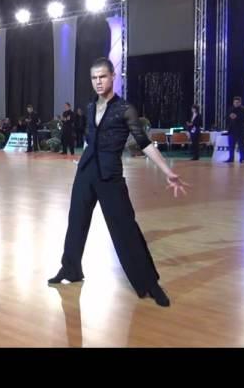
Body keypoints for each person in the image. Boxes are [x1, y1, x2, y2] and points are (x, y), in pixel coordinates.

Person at [48, 58, 190, 308]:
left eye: (102, 76)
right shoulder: (91, 106)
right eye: (94, 78)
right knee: (76, 223)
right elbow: (90, 139)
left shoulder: (125, 109)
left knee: (125, 229)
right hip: (86, 172)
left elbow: (144, 143)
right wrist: (80, 162)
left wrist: (167, 170)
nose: (98, 82)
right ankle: (70, 269)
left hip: (110, 176)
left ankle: (150, 283)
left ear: (113, 76)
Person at [226, 96, 244, 163]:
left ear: (240, 103)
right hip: (232, 130)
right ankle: (231, 158)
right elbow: (227, 118)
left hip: (240, 130)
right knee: (231, 145)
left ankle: (242, 159)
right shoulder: (230, 109)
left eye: (237, 102)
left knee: (241, 145)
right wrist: (229, 117)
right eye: (235, 102)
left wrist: (236, 117)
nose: (236, 103)